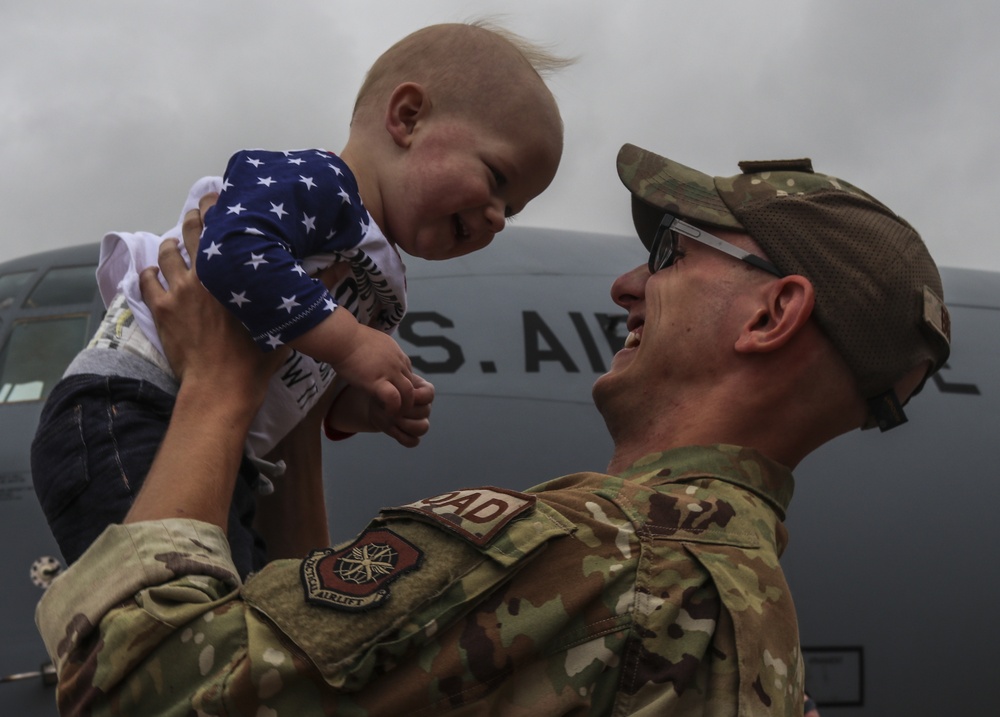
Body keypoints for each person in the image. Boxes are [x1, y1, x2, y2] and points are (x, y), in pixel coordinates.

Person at [34, 145, 950, 715]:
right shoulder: (762, 635)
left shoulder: (582, 558)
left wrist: (221, 390)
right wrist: (303, 402)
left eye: (671, 254)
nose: (627, 285)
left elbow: (135, 692)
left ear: (771, 316)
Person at [30, 22, 566, 577]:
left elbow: (305, 382)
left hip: (221, 449)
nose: (500, 217)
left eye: (515, 208)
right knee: (174, 603)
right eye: (496, 177)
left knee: (237, 607)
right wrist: (351, 342)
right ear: (407, 117)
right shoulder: (320, 184)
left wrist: (364, 406)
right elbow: (230, 249)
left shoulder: (381, 273)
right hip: (129, 407)